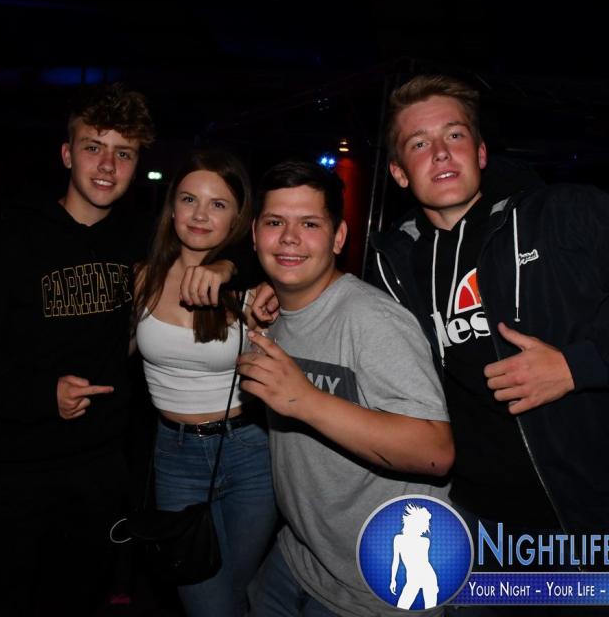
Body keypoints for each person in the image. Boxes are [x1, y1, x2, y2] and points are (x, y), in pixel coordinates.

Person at [370, 74, 609, 587]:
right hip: (473, 520)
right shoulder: (395, 262)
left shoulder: (565, 215)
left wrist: (577, 366)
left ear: (480, 153)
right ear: (399, 173)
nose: (440, 152)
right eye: (419, 143)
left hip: (584, 516)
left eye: (454, 135)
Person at [0, 83, 155, 616]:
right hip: (13, 469)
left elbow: (214, 248)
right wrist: (41, 394)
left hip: (100, 468)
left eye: (124, 153)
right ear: (68, 154)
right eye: (94, 147)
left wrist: (227, 268)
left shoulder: (138, 242)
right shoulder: (6, 238)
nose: (108, 165)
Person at [237, 160, 453, 616]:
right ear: (255, 234)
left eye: (309, 224)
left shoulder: (372, 319)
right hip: (299, 556)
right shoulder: (274, 315)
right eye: (275, 222)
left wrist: (304, 400)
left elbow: (435, 450)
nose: (289, 238)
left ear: (338, 238)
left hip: (371, 587)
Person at [134, 149, 276, 617]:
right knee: (206, 601)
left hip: (249, 452)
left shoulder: (254, 287)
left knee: (237, 591)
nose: (199, 215)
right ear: (172, 207)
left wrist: (234, 271)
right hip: (174, 457)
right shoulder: (142, 279)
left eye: (218, 204)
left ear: (238, 217)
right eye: (189, 199)